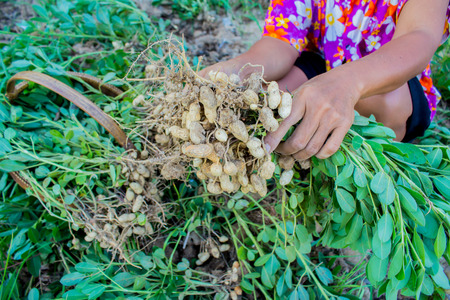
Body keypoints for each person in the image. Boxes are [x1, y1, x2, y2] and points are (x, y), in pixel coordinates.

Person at [199, 0, 450, 161]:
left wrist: (349, 82)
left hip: (390, 78)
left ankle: (365, 155)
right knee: (266, 96)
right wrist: (236, 70)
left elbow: (421, 36)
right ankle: (304, 145)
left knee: (386, 102)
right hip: (322, 66)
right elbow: (280, 42)